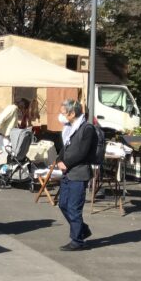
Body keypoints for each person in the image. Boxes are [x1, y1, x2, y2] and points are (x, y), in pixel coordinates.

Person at [56, 99, 95, 251]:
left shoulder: (86, 128)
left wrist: (67, 163)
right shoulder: (68, 127)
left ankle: (77, 241)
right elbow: (65, 148)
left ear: (72, 113)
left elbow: (82, 152)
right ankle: (82, 229)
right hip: (67, 172)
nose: (61, 115)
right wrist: (59, 160)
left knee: (73, 207)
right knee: (63, 204)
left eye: (64, 113)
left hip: (78, 172)